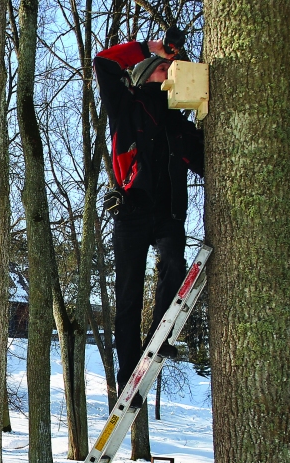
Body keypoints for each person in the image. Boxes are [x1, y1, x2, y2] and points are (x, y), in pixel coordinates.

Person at [93, 27, 204, 391]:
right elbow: (104, 63)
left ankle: (159, 339)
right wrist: (153, 47)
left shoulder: (180, 126)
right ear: (145, 73)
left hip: (168, 214)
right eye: (162, 69)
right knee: (127, 299)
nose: (169, 74)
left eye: (173, 70)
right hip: (132, 211)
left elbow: (206, 161)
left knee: (173, 263)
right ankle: (127, 378)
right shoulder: (126, 106)